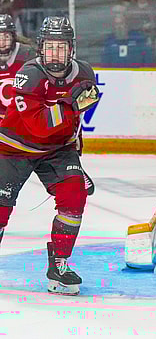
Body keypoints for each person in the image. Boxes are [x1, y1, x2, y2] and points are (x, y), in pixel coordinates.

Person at [0, 17, 100, 295]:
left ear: (72, 49)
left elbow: (78, 120)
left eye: (61, 47)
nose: (55, 54)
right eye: (50, 47)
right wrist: (70, 103)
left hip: (58, 150)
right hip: (14, 148)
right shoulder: (29, 75)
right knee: (1, 207)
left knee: (74, 196)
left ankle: (59, 264)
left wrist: (77, 160)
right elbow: (39, 126)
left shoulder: (84, 73)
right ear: (40, 48)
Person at [0, 14, 36, 120]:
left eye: (6, 37)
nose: (2, 43)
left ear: (14, 37)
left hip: (24, 118)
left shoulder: (28, 55)